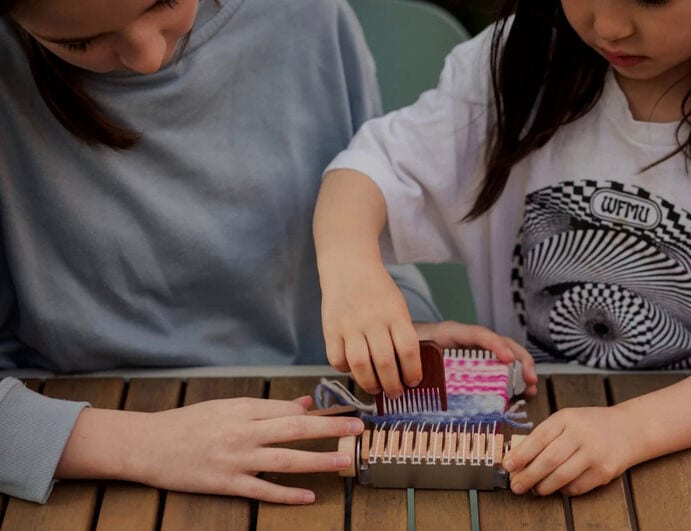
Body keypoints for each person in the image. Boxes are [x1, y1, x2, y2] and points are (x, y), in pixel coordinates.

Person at [314, 0, 691, 497]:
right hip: (524, 432)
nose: (610, 26)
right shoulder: (517, 63)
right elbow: (371, 170)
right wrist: (351, 270)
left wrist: (632, 429)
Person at [0, 0, 440, 505]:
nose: (146, 55)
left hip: (318, 427)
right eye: (78, 42)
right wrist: (137, 444)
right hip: (73, 464)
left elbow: (367, 231)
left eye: (163, 2)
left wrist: (398, 325)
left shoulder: (306, 15)